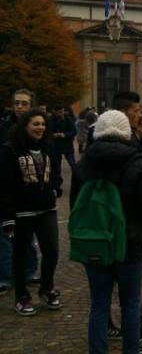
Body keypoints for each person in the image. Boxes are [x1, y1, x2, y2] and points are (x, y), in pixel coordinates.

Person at [71, 110, 142, 354]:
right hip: (129, 245)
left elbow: (76, 206)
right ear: (126, 132)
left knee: (99, 304)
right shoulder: (139, 163)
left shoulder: (83, 165)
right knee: (130, 304)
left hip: (95, 242)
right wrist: (140, 231)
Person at [0, 109, 62, 316]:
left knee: (52, 250)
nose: (40, 128)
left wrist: (54, 189)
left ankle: (46, 287)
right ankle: (22, 295)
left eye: (43, 124)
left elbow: (56, 174)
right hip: (22, 211)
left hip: (46, 209)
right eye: (35, 124)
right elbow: (5, 185)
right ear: (25, 126)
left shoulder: (48, 148)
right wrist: (8, 217)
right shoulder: (9, 150)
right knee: (21, 255)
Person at [0, 89, 39, 296]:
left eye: (24, 103)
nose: (19, 107)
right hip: (7, 186)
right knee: (6, 233)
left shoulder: (35, 128)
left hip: (28, 189)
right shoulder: (5, 126)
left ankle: (30, 271)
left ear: (31, 105)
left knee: (28, 233)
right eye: (17, 103)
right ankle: (7, 277)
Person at [49, 105, 77, 177]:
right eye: (59, 112)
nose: (61, 113)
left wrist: (65, 135)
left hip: (67, 145)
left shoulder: (68, 119)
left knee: (73, 164)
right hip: (56, 146)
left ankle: (77, 177)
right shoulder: (51, 120)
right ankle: (57, 183)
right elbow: (48, 131)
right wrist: (53, 135)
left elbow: (74, 131)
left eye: (62, 111)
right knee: (57, 167)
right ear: (55, 112)